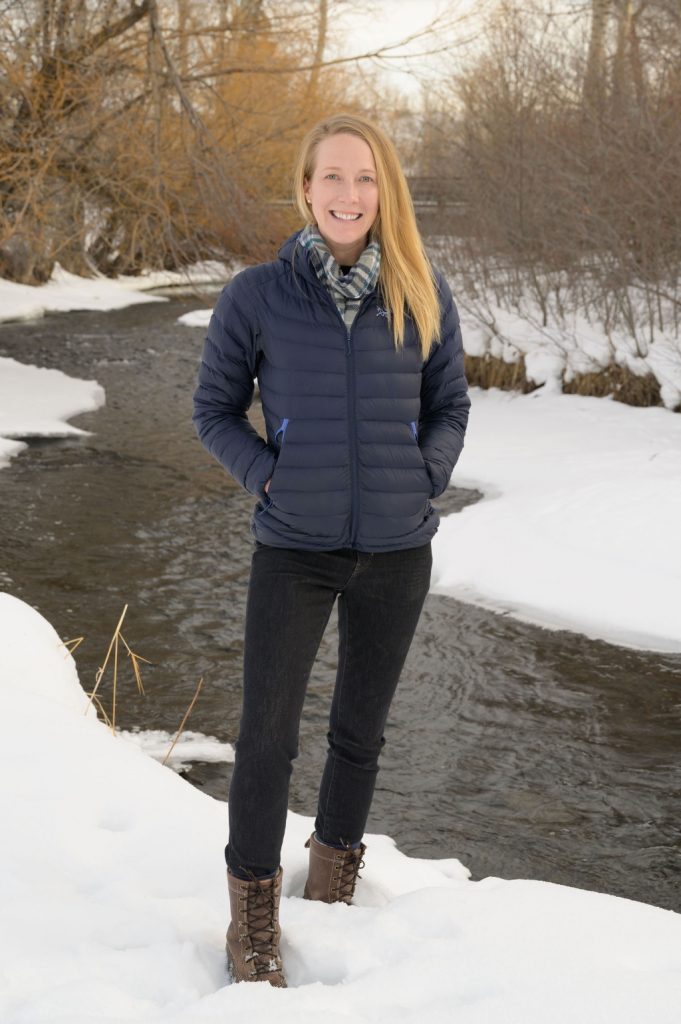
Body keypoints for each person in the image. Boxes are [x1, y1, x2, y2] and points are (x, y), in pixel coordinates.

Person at [192, 112, 470, 988]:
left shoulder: (422, 289)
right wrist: (269, 478)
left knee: (359, 734)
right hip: (295, 547)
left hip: (398, 547)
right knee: (266, 736)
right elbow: (212, 410)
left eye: (365, 179)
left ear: (383, 192)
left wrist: (421, 476)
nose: (349, 195)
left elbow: (450, 404)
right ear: (306, 189)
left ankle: (335, 885)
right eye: (333, 178)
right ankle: (255, 923)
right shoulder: (256, 295)